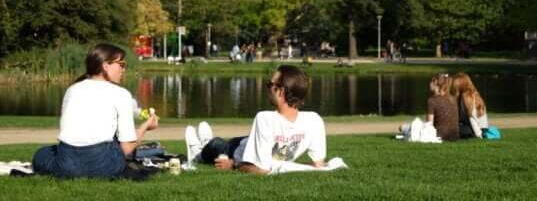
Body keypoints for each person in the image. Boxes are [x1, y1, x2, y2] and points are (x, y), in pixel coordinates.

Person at [31, 44, 159, 179]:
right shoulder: (121, 94)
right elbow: (126, 148)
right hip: (104, 166)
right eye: (121, 64)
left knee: (42, 154)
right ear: (105, 65)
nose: (123, 69)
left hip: (67, 165)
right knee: (114, 147)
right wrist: (146, 126)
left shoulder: (72, 90)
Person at [185, 65, 326, 174]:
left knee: (217, 144)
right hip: (249, 143)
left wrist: (234, 164)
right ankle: (205, 144)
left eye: (270, 85)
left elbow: (260, 170)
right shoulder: (314, 120)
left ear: (280, 92)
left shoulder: (265, 118)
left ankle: (199, 152)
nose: (268, 89)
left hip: (238, 151)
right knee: (227, 142)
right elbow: (318, 165)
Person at [451, 72, 488, 138]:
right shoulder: (475, 94)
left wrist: (479, 134)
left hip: (475, 130)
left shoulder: (466, 98)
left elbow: (471, 118)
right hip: (483, 129)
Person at [426, 73, 459, 141]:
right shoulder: (453, 98)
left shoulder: (432, 100)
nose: (429, 84)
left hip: (440, 136)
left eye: (431, 81)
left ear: (435, 82)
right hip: (454, 135)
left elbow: (429, 125)